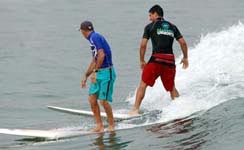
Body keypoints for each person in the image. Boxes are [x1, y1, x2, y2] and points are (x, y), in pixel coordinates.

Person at [129, 5, 189, 115]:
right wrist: (185, 58)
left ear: (156, 14)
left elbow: (143, 45)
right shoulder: (173, 26)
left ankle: (135, 110)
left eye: (150, 15)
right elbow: (183, 43)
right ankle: (181, 108)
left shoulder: (150, 27)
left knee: (143, 84)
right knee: (172, 88)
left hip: (156, 59)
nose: (149, 18)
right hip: (170, 61)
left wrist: (142, 60)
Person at [79, 21, 116, 132]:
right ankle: (99, 126)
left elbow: (101, 55)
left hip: (106, 73)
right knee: (92, 99)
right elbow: (95, 60)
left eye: (81, 31)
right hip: (99, 73)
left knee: (103, 101)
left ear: (83, 31)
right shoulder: (93, 39)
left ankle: (111, 126)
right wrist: (86, 75)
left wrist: (94, 72)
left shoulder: (94, 37)